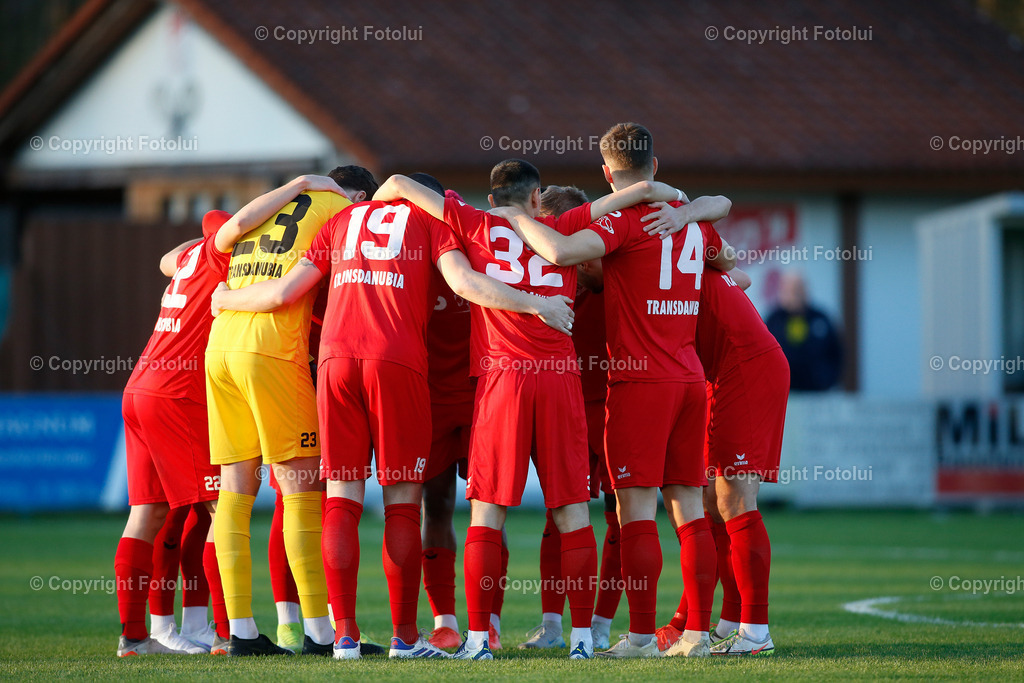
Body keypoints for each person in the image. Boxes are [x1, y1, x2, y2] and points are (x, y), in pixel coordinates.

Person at [211, 172, 574, 660]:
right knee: (404, 500)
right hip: (397, 362)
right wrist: (536, 304)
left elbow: (285, 290)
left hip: (335, 362)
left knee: (341, 497)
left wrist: (225, 300)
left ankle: (342, 637)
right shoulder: (431, 223)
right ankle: (405, 638)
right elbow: (464, 283)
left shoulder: (343, 220)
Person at [377, 161, 707, 660]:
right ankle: (582, 640)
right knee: (573, 510)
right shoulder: (565, 225)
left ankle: (478, 639)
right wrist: (681, 203)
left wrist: (368, 216)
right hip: (560, 379)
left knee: (487, 512)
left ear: (494, 199)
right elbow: (639, 190)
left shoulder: (474, 221)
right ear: (537, 199)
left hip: (502, 379)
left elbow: (400, 184)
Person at [496, 122, 735, 658]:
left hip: (641, 381)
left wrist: (516, 216)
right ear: (656, 164)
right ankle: (697, 635)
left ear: (607, 173)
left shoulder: (625, 222)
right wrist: (691, 210)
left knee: (635, 514)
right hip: (690, 378)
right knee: (689, 510)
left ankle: (642, 636)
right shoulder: (692, 225)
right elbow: (731, 261)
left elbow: (560, 252)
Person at [205, 170, 363, 657]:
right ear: (358, 196)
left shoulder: (269, 208)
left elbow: (228, 231)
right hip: (271, 351)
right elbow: (287, 294)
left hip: (220, 349)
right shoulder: (343, 211)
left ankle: (241, 632)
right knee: (301, 492)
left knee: (234, 494)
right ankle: (319, 633)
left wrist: (296, 183)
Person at [114, 203, 264, 657]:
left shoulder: (190, 258)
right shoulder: (226, 258)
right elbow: (230, 227)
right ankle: (227, 633)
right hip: (178, 393)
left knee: (148, 514)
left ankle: (135, 638)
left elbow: (169, 257)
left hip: (140, 386)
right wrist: (301, 184)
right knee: (223, 508)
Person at [655, 264, 787, 656]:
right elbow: (739, 279)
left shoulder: (659, 249)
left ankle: (756, 633)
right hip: (721, 372)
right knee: (711, 501)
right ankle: (728, 622)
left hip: (744, 366)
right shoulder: (681, 253)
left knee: (735, 499)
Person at [765, 271, 842, 391]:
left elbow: (837, 353)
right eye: (789, 289)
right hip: (783, 392)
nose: (795, 294)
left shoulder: (820, 319)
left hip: (817, 392)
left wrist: (827, 380)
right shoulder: (773, 321)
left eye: (798, 289)